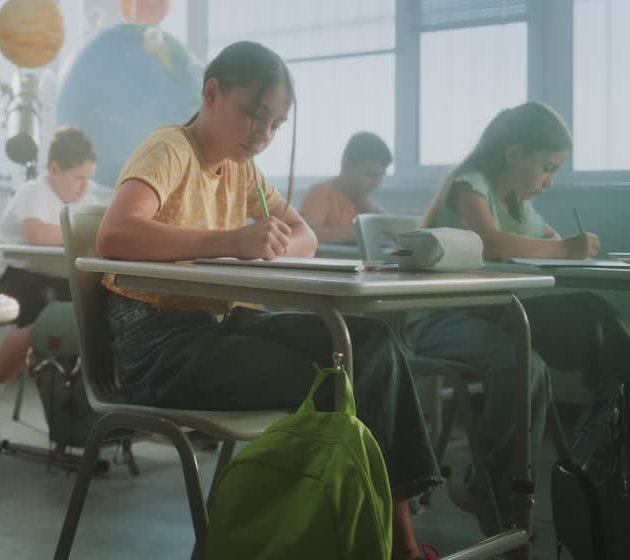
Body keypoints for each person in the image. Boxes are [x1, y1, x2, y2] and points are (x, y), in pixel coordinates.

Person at [95, 41, 441, 560]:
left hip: (223, 323)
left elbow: (306, 236)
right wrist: (231, 241)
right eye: (254, 116)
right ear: (211, 94)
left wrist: (271, 243)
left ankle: (397, 535)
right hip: (156, 344)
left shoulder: (245, 170)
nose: (262, 135)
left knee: (370, 343)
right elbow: (114, 236)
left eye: (276, 125)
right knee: (335, 379)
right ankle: (350, 542)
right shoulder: (169, 150)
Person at [409, 101, 630, 532]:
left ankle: (607, 446)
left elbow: (542, 239)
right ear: (514, 154)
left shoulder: (521, 205)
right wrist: (565, 247)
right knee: (521, 364)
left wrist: (564, 244)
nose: (549, 182)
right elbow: (491, 243)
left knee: (595, 319)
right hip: (439, 319)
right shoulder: (469, 185)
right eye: (546, 167)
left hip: (493, 315)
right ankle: (492, 491)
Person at [0, 126, 97, 386]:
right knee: (47, 320)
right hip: (15, 275)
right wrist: (82, 232)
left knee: (93, 312)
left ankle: (73, 394)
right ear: (55, 169)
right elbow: (37, 235)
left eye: (88, 178)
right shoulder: (33, 191)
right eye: (78, 177)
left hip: (56, 276)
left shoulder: (84, 196)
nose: (84, 187)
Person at [299, 130, 392, 244]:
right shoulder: (321, 193)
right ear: (346, 165)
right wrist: (363, 230)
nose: (377, 183)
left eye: (380, 176)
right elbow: (307, 234)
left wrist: (373, 217)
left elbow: (389, 233)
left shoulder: (364, 201)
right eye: (370, 174)